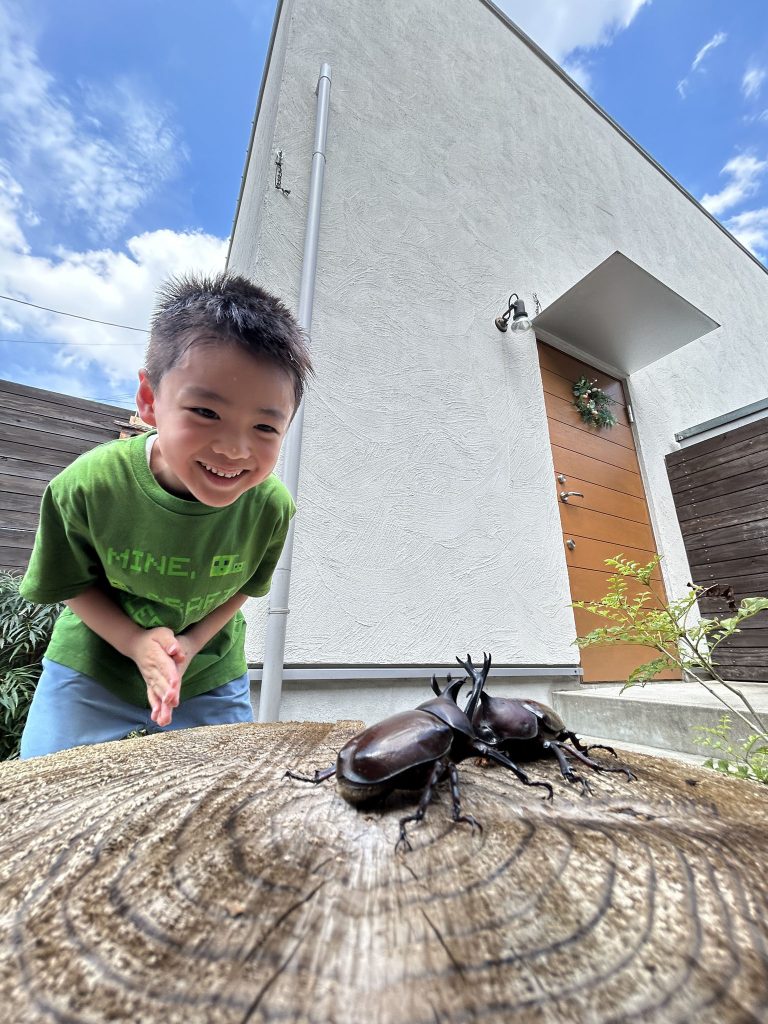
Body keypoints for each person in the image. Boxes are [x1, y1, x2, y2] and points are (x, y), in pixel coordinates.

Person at [19, 272, 313, 758]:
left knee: (230, 797)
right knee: (39, 790)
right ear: (150, 401)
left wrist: (192, 644)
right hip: (93, 664)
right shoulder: (89, 486)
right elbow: (69, 583)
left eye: (265, 425)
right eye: (205, 412)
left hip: (208, 672)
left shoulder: (271, 506)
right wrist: (135, 642)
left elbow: (243, 588)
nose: (235, 448)